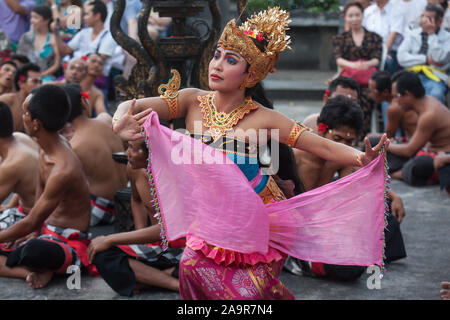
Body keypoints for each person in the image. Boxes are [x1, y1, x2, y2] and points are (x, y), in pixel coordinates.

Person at [89, 7, 390, 300]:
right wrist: (119, 121)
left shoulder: (264, 118)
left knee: (248, 293)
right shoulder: (192, 100)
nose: (217, 65)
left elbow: (320, 144)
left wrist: (360, 158)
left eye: (230, 60)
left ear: (250, 75)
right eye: (217, 55)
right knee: (191, 268)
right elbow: (134, 106)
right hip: (211, 212)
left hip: (259, 214)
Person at [286, 96, 406, 280]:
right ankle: (301, 261)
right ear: (321, 130)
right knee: (350, 267)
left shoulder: (344, 158)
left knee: (387, 219)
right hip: (293, 229)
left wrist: (390, 196)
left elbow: (351, 197)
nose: (343, 146)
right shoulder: (293, 156)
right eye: (337, 138)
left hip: (323, 223)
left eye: (349, 142)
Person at [0, 84, 94, 289]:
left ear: (36, 123)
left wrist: (31, 230)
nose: (22, 117)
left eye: (25, 113)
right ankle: (39, 269)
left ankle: (39, 269)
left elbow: (32, 220)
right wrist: (32, 231)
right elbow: (36, 210)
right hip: (43, 230)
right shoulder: (46, 147)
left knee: (34, 251)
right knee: (17, 238)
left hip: (68, 241)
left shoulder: (63, 168)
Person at [87, 138, 183, 296]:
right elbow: (136, 200)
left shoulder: (172, 177)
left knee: (198, 268)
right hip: (156, 247)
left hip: (181, 249)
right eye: (127, 147)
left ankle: (154, 278)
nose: (127, 154)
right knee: (101, 253)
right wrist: (140, 235)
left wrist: (111, 238)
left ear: (151, 153)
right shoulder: (133, 169)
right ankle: (173, 281)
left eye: (132, 148)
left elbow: (167, 229)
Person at [63, 83, 127, 226]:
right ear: (85, 104)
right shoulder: (106, 119)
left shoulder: (74, 145)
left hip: (103, 209)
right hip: (127, 200)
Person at [387, 71, 450, 187]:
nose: (395, 101)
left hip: (441, 157)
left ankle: (396, 173)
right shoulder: (428, 100)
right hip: (426, 150)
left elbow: (409, 151)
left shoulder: (429, 114)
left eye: (397, 97)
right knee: (374, 143)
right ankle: (396, 170)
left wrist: (386, 145)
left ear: (408, 95)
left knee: (420, 164)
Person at [333, 1, 382, 139]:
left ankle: (361, 138)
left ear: (362, 16)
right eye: (351, 15)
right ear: (345, 18)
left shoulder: (374, 37)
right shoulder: (340, 38)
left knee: (366, 98)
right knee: (343, 98)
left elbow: (377, 59)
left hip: (367, 81)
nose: (354, 18)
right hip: (349, 79)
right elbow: (339, 59)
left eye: (357, 15)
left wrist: (367, 64)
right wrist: (352, 65)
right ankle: (342, 135)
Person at [397, 3, 450, 104]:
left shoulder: (447, 37)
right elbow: (401, 57)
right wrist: (425, 59)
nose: (424, 20)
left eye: (429, 18)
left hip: (435, 77)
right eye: (423, 16)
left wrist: (432, 34)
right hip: (411, 75)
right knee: (394, 95)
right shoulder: (413, 34)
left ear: (439, 21)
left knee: (436, 94)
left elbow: (438, 59)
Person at [55, 0, 117, 86]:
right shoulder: (84, 32)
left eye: (87, 14)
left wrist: (74, 64)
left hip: (94, 80)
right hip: (75, 75)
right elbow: (64, 51)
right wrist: (55, 32)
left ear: (97, 16)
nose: (84, 18)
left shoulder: (109, 37)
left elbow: (96, 62)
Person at [0, 102, 39, 232]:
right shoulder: (20, 137)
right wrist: (11, 205)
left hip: (37, 223)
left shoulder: (11, 164)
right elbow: (27, 182)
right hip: (29, 211)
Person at [368, 70, 418, 139]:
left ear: (385, 92)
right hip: (412, 140)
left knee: (370, 140)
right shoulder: (397, 102)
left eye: (372, 91)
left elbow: (388, 136)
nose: (370, 95)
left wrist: (371, 136)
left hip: (417, 145)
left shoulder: (394, 107)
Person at [16, 5, 61, 83]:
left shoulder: (53, 38)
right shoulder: (26, 37)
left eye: (35, 17)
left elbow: (57, 64)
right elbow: (18, 60)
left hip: (46, 76)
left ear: (46, 20)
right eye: (31, 17)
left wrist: (41, 75)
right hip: (26, 75)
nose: (31, 21)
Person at [363, 0, 405, 74]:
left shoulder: (397, 10)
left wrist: (381, 54)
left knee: (386, 62)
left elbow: (393, 35)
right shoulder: (368, 11)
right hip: (368, 51)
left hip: (389, 52)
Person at [0, 63, 42, 132]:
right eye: (35, 81)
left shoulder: (39, 106)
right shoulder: (6, 100)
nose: (39, 85)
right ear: (21, 83)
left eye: (40, 82)